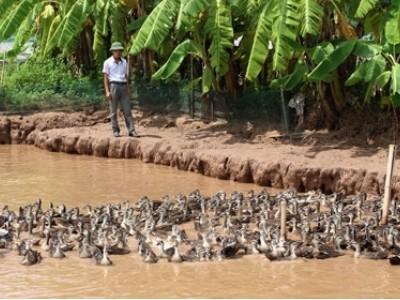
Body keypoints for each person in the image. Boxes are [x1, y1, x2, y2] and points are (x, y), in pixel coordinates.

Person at [103, 42, 138, 137]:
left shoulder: (124, 62)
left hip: (123, 86)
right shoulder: (107, 62)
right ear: (113, 51)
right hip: (113, 85)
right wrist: (107, 91)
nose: (119, 52)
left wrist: (128, 88)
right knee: (113, 111)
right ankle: (115, 131)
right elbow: (105, 78)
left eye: (120, 51)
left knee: (127, 110)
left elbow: (126, 76)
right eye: (117, 51)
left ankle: (131, 130)